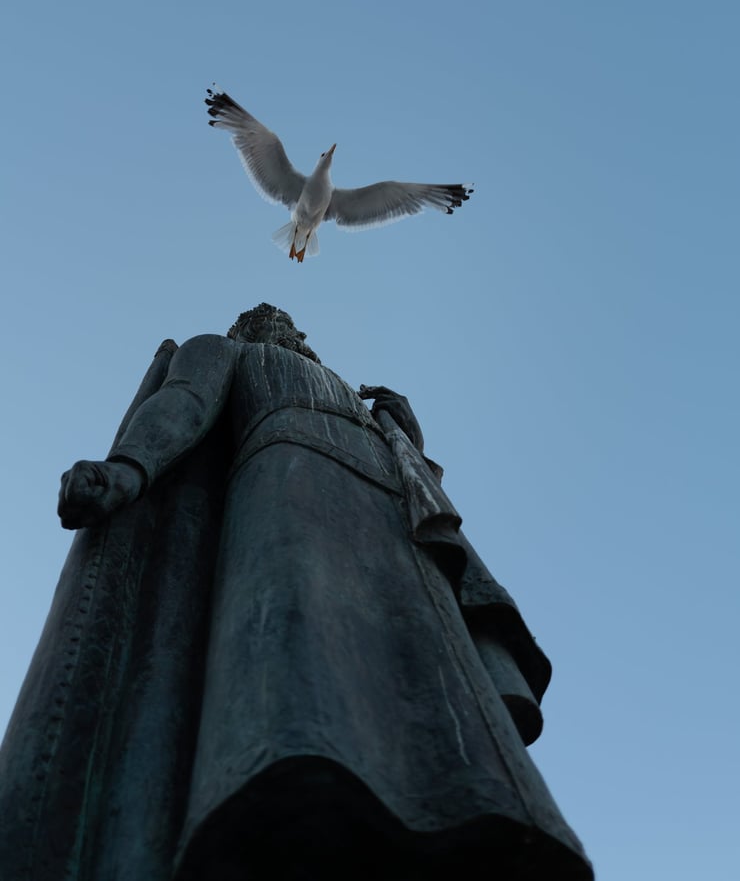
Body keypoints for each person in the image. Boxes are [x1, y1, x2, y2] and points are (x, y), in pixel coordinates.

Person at [1, 305, 592, 880]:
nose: (280, 326)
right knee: (301, 684)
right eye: (267, 320)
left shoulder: (337, 383)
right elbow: (183, 403)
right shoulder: (223, 350)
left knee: (432, 698)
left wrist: (404, 428)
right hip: (290, 487)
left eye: (287, 323)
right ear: (247, 327)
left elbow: (417, 471)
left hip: (394, 525)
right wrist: (130, 466)